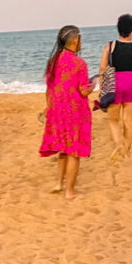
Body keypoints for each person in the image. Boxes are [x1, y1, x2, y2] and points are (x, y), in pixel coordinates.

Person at [40, 25, 97, 200]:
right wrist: (94, 83)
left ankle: (59, 183)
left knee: (63, 150)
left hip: (57, 110)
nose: (81, 42)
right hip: (75, 111)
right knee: (74, 152)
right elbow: (83, 91)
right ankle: (70, 191)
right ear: (74, 40)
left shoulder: (54, 61)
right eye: (80, 38)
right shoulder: (80, 63)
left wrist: (49, 108)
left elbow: (49, 89)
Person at [99, 13, 132, 159]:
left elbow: (102, 69)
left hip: (115, 82)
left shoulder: (110, 46)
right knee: (128, 119)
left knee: (113, 119)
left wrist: (102, 88)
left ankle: (119, 143)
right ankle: (126, 151)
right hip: (130, 82)